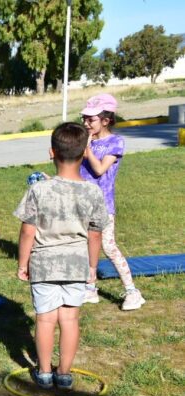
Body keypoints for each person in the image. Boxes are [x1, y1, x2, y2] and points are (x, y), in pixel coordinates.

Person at [14, 122, 108, 389]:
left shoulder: (39, 189)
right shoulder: (92, 191)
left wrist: (23, 263)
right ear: (84, 153)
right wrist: (92, 267)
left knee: (45, 319)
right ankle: (64, 374)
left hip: (43, 264)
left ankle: (44, 373)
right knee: (69, 319)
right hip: (76, 265)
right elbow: (95, 235)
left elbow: (27, 232)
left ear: (51, 152)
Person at [79, 93, 145, 311]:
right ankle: (90, 289)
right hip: (81, 203)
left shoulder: (115, 142)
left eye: (91, 120)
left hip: (102, 205)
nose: (86, 123)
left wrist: (86, 147)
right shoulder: (85, 140)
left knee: (108, 246)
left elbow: (99, 170)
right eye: (84, 119)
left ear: (105, 121)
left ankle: (132, 292)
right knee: (86, 246)